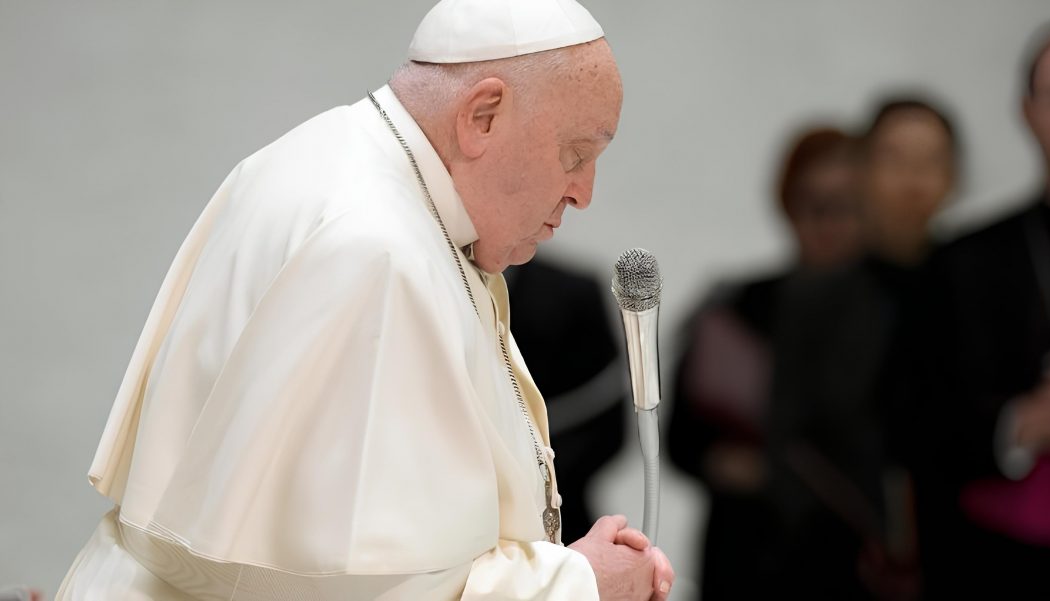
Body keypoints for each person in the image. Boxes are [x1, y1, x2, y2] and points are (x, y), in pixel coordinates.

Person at [55, 1, 674, 599]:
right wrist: (579, 584)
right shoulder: (376, 248)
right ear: (482, 116)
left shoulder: (329, 160)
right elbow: (356, 585)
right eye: (575, 154)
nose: (583, 192)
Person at [769, 98, 958, 600]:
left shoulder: (974, 282)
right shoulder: (817, 295)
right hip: (837, 555)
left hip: (961, 546)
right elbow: (790, 439)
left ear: (953, 176)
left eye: (930, 161)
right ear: (864, 171)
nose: (913, 181)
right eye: (894, 159)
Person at [904, 21, 1050, 598]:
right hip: (1005, 565)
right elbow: (918, 423)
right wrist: (1021, 425)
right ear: (1027, 112)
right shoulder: (965, 262)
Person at [668, 126, 862, 600]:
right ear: (788, 205)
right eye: (812, 204)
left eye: (845, 205)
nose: (827, 222)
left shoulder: (898, 311)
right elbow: (680, 440)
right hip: (748, 554)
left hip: (854, 557)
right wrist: (723, 461)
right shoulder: (736, 307)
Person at [506, 256, 627, 546]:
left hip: (562, 509)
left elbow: (604, 417)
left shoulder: (572, 291)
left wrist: (532, 476)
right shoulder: (432, 281)